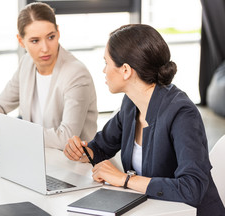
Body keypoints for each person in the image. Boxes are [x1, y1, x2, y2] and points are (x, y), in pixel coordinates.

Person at [64, 24, 225, 215]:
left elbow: (192, 188)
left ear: (125, 70)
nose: (103, 70)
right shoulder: (131, 103)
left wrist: (124, 179)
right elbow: (100, 147)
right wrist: (83, 151)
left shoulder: (182, 113)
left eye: (106, 62)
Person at [0, 2, 98, 150]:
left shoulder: (76, 74)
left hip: (71, 165)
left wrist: (9, 130)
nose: (45, 48)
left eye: (51, 37)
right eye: (35, 41)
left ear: (58, 33)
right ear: (21, 41)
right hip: (34, 156)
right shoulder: (27, 63)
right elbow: (0, 104)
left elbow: (67, 138)